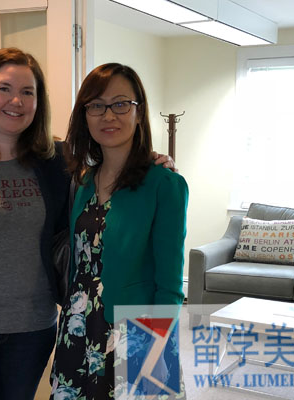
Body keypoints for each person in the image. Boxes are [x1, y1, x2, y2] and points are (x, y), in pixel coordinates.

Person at [0, 48, 176, 400]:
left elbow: (118, 172)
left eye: (28, 92)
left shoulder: (57, 161)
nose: (15, 101)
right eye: (4, 88)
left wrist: (155, 160)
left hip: (32, 327)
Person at [50, 63, 188, 399]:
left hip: (133, 329)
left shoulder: (164, 184)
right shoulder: (83, 181)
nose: (108, 115)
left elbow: (170, 283)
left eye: (121, 104)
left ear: (139, 112)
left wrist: (158, 346)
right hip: (77, 327)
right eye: (97, 105)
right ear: (85, 115)